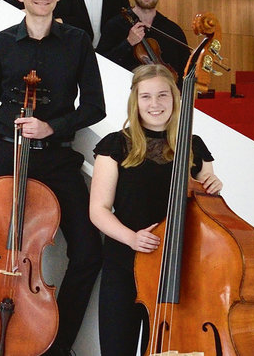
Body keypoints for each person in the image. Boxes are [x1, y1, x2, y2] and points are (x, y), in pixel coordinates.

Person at [0, 0, 105, 356]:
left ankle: (54, 344)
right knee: (6, 253)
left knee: (88, 253)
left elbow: (95, 106)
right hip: (6, 158)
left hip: (57, 159)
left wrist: (52, 126)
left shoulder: (77, 42)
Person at [90, 64, 222, 356]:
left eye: (163, 95)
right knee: (116, 349)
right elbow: (98, 210)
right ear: (135, 101)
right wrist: (131, 238)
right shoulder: (116, 145)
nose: (155, 104)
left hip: (176, 271)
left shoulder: (193, 147)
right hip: (124, 265)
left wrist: (213, 184)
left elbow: (208, 214)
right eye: (146, 96)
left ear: (175, 99)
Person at [98, 0, 191, 74]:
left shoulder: (173, 31)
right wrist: (128, 43)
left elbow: (186, 71)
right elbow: (101, 65)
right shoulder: (115, 25)